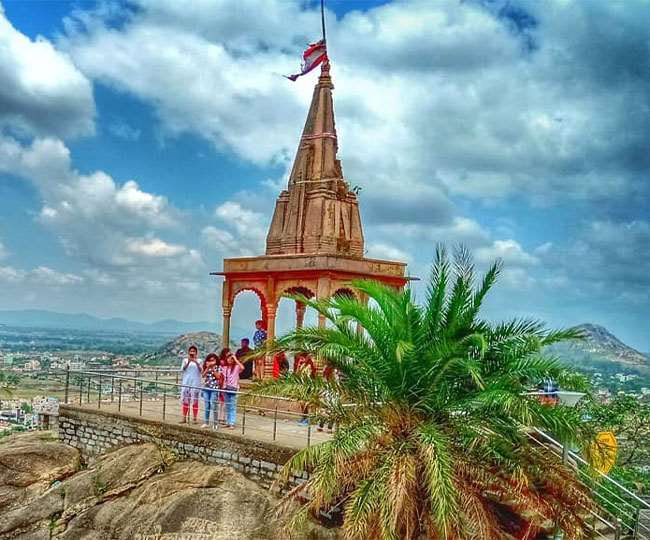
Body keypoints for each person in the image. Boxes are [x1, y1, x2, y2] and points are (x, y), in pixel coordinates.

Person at [222, 350, 245, 428]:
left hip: (234, 388)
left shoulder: (236, 367)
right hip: (226, 388)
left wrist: (235, 359)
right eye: (228, 358)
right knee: (227, 406)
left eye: (231, 359)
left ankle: (232, 422)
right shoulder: (225, 368)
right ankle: (228, 422)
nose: (230, 360)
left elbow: (242, 367)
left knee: (232, 406)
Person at [180, 345, 202, 424]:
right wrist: (189, 361)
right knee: (185, 401)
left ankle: (195, 418)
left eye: (194, 351)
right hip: (186, 382)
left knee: (195, 401)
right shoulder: (185, 360)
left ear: (196, 353)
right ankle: (184, 417)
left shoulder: (199, 360)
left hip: (195, 383)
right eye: (191, 351)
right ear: (188, 352)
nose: (192, 353)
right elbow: (183, 369)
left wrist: (195, 361)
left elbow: (201, 370)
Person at [201, 353, 222, 428]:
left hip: (214, 388)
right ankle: (206, 422)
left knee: (214, 406)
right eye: (209, 360)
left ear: (216, 360)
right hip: (206, 388)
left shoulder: (218, 367)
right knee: (207, 406)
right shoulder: (206, 366)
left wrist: (213, 368)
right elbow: (202, 375)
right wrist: (207, 368)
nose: (211, 362)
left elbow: (218, 377)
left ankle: (215, 423)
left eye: (213, 360)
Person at [318, 365, 339, 433]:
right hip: (329, 394)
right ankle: (324, 426)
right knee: (328, 411)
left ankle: (325, 426)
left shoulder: (331, 371)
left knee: (330, 411)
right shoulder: (328, 370)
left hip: (332, 393)